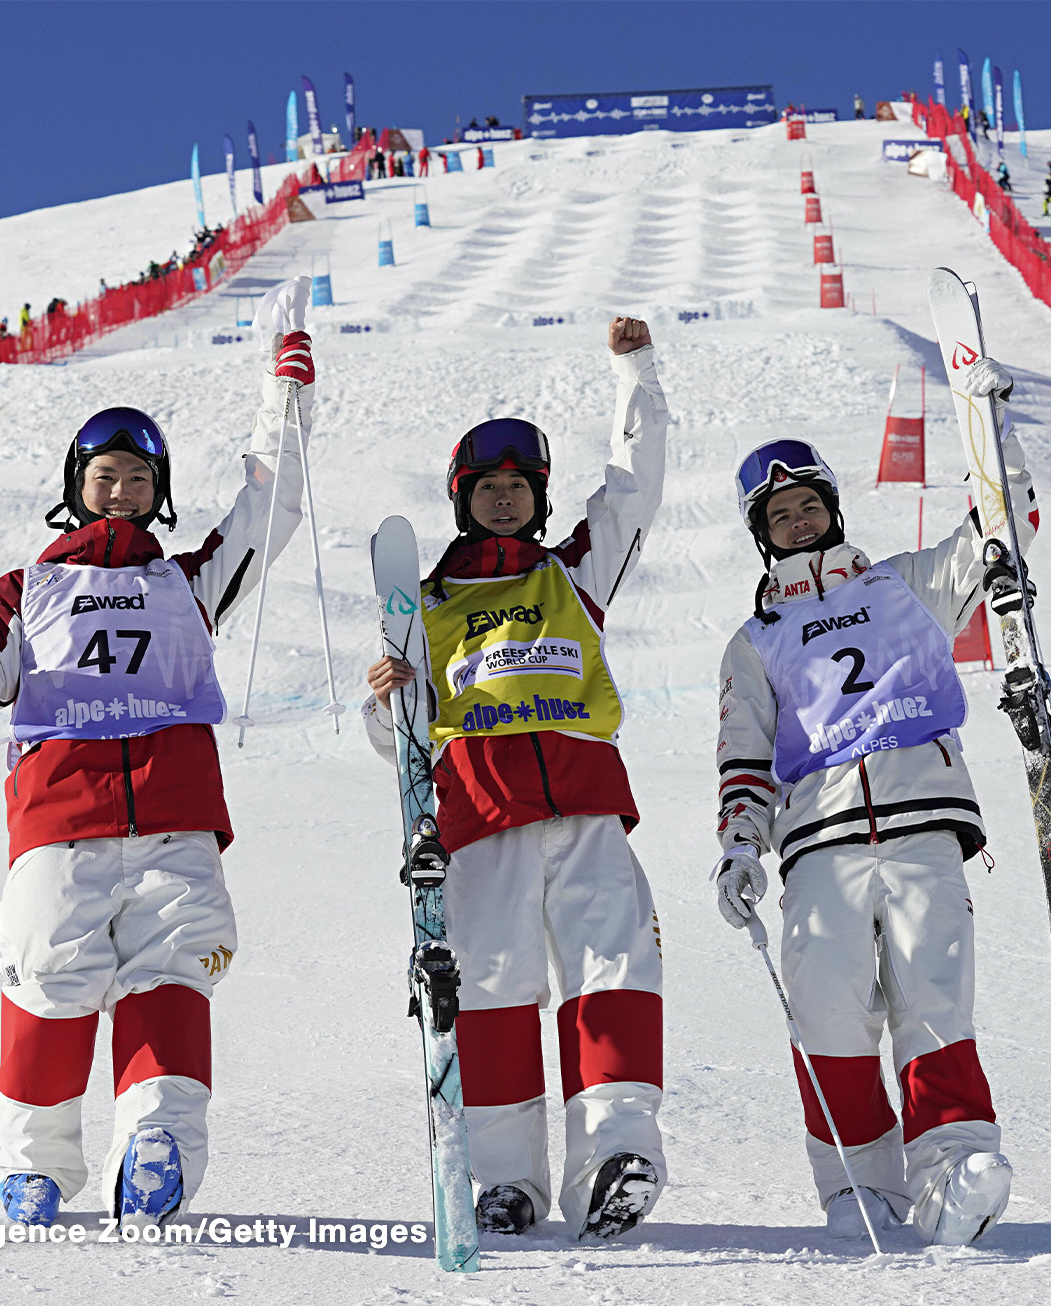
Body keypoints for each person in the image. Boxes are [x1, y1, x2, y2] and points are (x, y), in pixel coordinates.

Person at [0, 327, 317, 1229]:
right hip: (61, 817)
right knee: (49, 976)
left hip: (176, 815)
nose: (125, 491)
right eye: (107, 477)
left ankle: (156, 1143)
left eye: (141, 479)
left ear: (159, 494)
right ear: (76, 487)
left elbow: (271, 512)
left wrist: (286, 404)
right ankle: (33, 1165)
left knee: (172, 971)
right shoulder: (28, 587)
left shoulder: (190, 582)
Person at [711, 357, 1033, 1248]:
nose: (798, 519)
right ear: (761, 534)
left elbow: (1005, 529)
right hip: (818, 844)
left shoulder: (902, 585)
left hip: (923, 824)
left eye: (808, 502)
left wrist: (993, 429)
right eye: (779, 514)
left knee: (934, 1001)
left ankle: (954, 1169)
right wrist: (741, 848)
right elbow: (744, 756)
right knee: (829, 1009)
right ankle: (862, 1188)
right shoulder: (756, 640)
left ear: (832, 506)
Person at [360, 319, 669, 1241]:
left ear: (537, 497)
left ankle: (616, 1154)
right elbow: (397, 739)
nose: (505, 500)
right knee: (492, 992)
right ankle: (504, 1181)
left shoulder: (574, 573)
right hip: (479, 818)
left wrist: (635, 373)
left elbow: (634, 491)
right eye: (488, 489)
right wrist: (386, 699)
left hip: (584, 806)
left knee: (613, 975)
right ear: (464, 499)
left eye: (519, 487)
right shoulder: (428, 601)